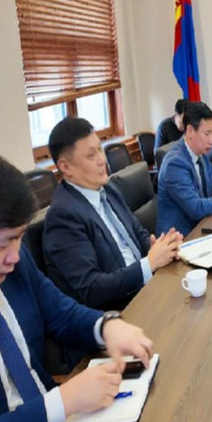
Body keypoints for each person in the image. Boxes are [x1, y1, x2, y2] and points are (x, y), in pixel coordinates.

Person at [0, 151, 153, 422]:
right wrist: (62, 402)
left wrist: (107, 326)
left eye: (19, 238)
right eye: (3, 244)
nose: (16, 256)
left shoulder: (13, 265)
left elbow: (60, 312)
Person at [44, 117, 183, 311]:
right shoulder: (63, 217)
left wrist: (160, 247)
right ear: (65, 167)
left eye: (100, 150)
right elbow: (91, 289)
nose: (102, 160)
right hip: (117, 311)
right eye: (91, 155)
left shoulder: (108, 189)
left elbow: (137, 231)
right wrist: (148, 264)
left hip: (146, 289)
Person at [157, 101, 212, 237]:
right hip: (180, 238)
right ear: (190, 131)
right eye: (207, 134)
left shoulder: (201, 154)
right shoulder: (174, 164)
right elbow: (195, 208)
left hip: (202, 226)